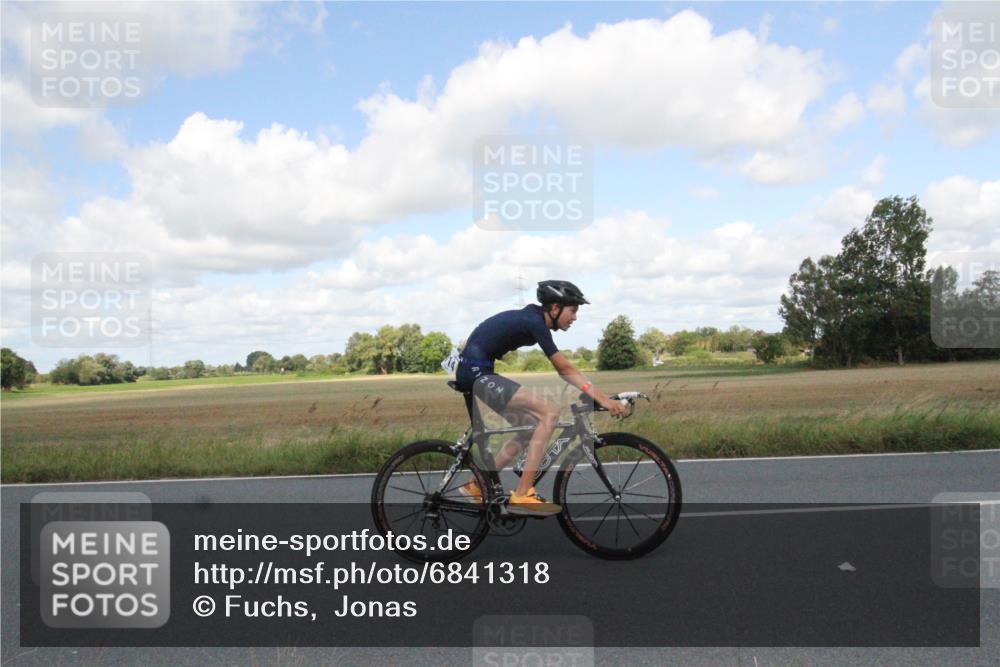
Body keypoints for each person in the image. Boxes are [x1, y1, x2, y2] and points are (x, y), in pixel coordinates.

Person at [453, 280, 629, 516]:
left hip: (478, 370)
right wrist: (603, 399)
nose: (575, 317)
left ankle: (479, 485)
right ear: (555, 308)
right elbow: (564, 368)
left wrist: (598, 395)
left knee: (532, 425)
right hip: (475, 372)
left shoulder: (533, 319)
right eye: (573, 310)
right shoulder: (534, 321)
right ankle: (523, 493)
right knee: (549, 413)